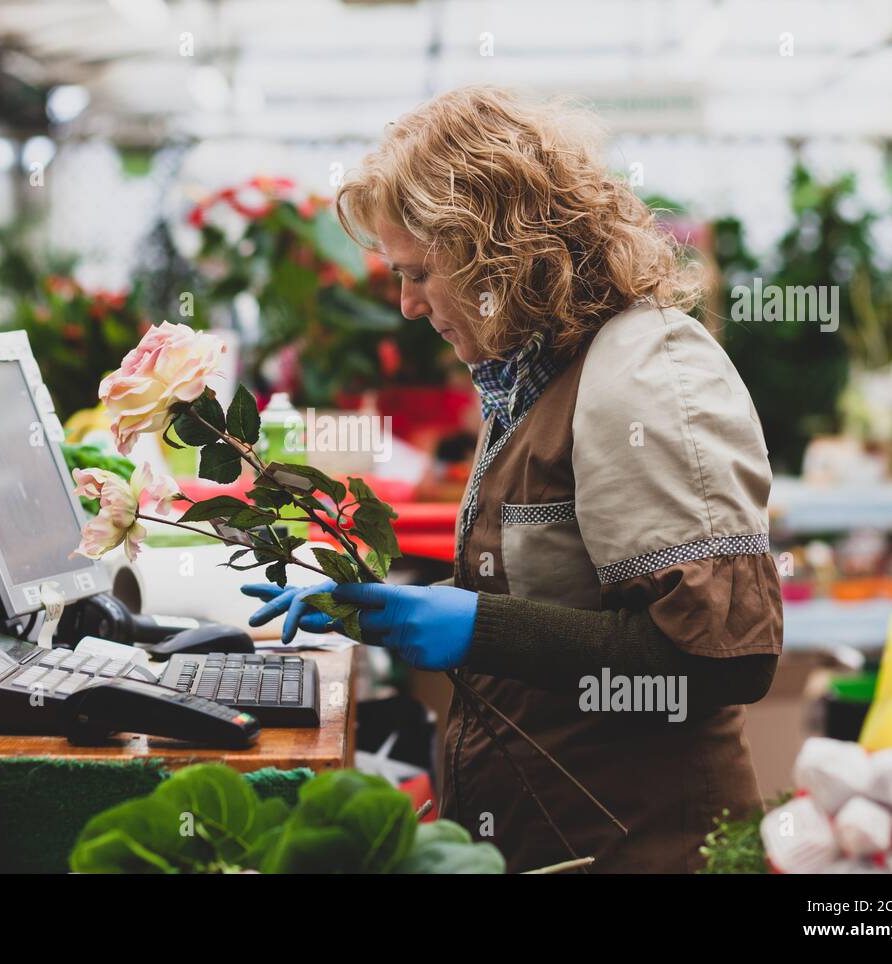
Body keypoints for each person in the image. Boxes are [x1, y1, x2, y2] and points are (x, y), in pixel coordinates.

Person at [241, 86, 783, 873]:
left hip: (642, 848)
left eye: (420, 272)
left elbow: (726, 657)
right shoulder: (530, 375)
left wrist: (477, 628)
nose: (406, 304)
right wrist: (403, 611)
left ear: (495, 248)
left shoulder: (643, 372)